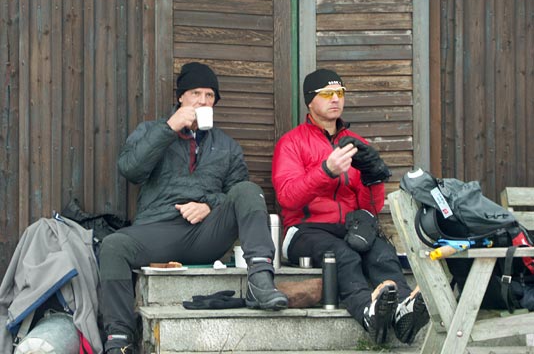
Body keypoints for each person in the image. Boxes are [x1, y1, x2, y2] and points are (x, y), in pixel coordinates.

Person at [99, 62, 288, 354]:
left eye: (210, 95)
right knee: (113, 246)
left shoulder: (227, 146)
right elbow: (131, 170)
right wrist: (168, 128)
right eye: (195, 93)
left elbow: (238, 194)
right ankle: (119, 339)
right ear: (181, 97)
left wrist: (209, 206)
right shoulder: (151, 131)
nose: (202, 100)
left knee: (250, 191)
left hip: (205, 236)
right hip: (157, 231)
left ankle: (261, 281)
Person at [271, 68, 429, 345]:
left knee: (381, 252)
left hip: (349, 228)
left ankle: (403, 311)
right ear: (310, 101)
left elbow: (370, 206)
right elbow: (287, 197)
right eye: (327, 94)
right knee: (343, 255)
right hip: (303, 231)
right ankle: (368, 313)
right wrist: (326, 170)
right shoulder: (291, 143)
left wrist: (373, 179)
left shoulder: (356, 144)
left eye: (340, 93)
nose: (336, 99)